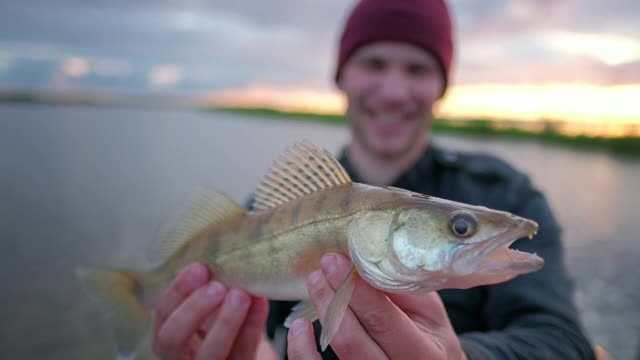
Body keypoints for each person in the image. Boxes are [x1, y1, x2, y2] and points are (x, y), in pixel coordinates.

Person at [152, 0, 597, 358]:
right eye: (374, 63)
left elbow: (561, 341)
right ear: (341, 76)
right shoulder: (264, 213)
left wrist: (457, 356)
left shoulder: (506, 191)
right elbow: (266, 339)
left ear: (442, 85)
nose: (393, 91)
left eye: (418, 69)